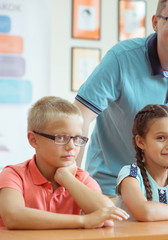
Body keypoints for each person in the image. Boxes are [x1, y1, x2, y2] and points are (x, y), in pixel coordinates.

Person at [74, 0, 168, 196]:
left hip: (165, 189)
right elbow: (78, 117)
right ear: (155, 22)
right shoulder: (121, 58)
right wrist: (72, 184)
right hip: (111, 187)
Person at [0, 96, 129, 229]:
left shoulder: (81, 179)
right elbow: (13, 216)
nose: (71, 146)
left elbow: (108, 216)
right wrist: (83, 221)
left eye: (77, 138)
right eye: (61, 137)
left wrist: (66, 178)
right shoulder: (14, 174)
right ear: (34, 140)